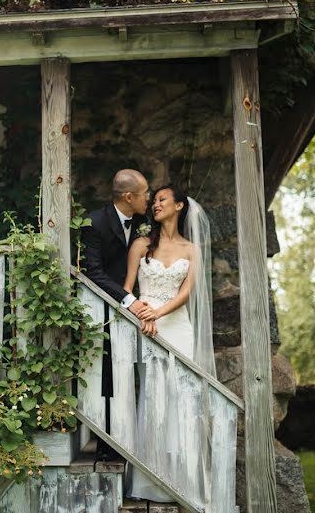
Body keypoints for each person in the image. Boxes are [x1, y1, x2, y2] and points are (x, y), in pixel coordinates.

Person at [123, 184, 215, 506]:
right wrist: (141, 313)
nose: (156, 204)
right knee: (155, 395)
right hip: (146, 326)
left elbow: (187, 293)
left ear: (179, 205)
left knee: (183, 398)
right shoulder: (140, 245)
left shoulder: (192, 250)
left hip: (177, 327)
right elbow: (127, 289)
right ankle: (154, 480)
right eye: (155, 200)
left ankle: (185, 479)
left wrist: (158, 312)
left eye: (163, 199)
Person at [81, 169, 154, 439]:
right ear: (128, 196)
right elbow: (94, 272)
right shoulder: (94, 222)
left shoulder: (143, 220)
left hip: (145, 306)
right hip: (106, 308)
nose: (149, 197)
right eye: (144, 193)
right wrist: (129, 300)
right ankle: (106, 440)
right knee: (108, 373)